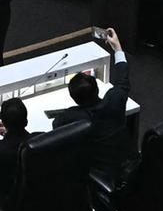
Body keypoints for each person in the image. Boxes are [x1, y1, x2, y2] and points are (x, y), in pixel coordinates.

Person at [47, 28, 134, 186]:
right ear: (97, 88)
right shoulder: (114, 100)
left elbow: (56, 125)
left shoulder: (74, 117)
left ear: (74, 98)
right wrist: (117, 48)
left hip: (105, 175)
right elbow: (122, 77)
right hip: (131, 165)